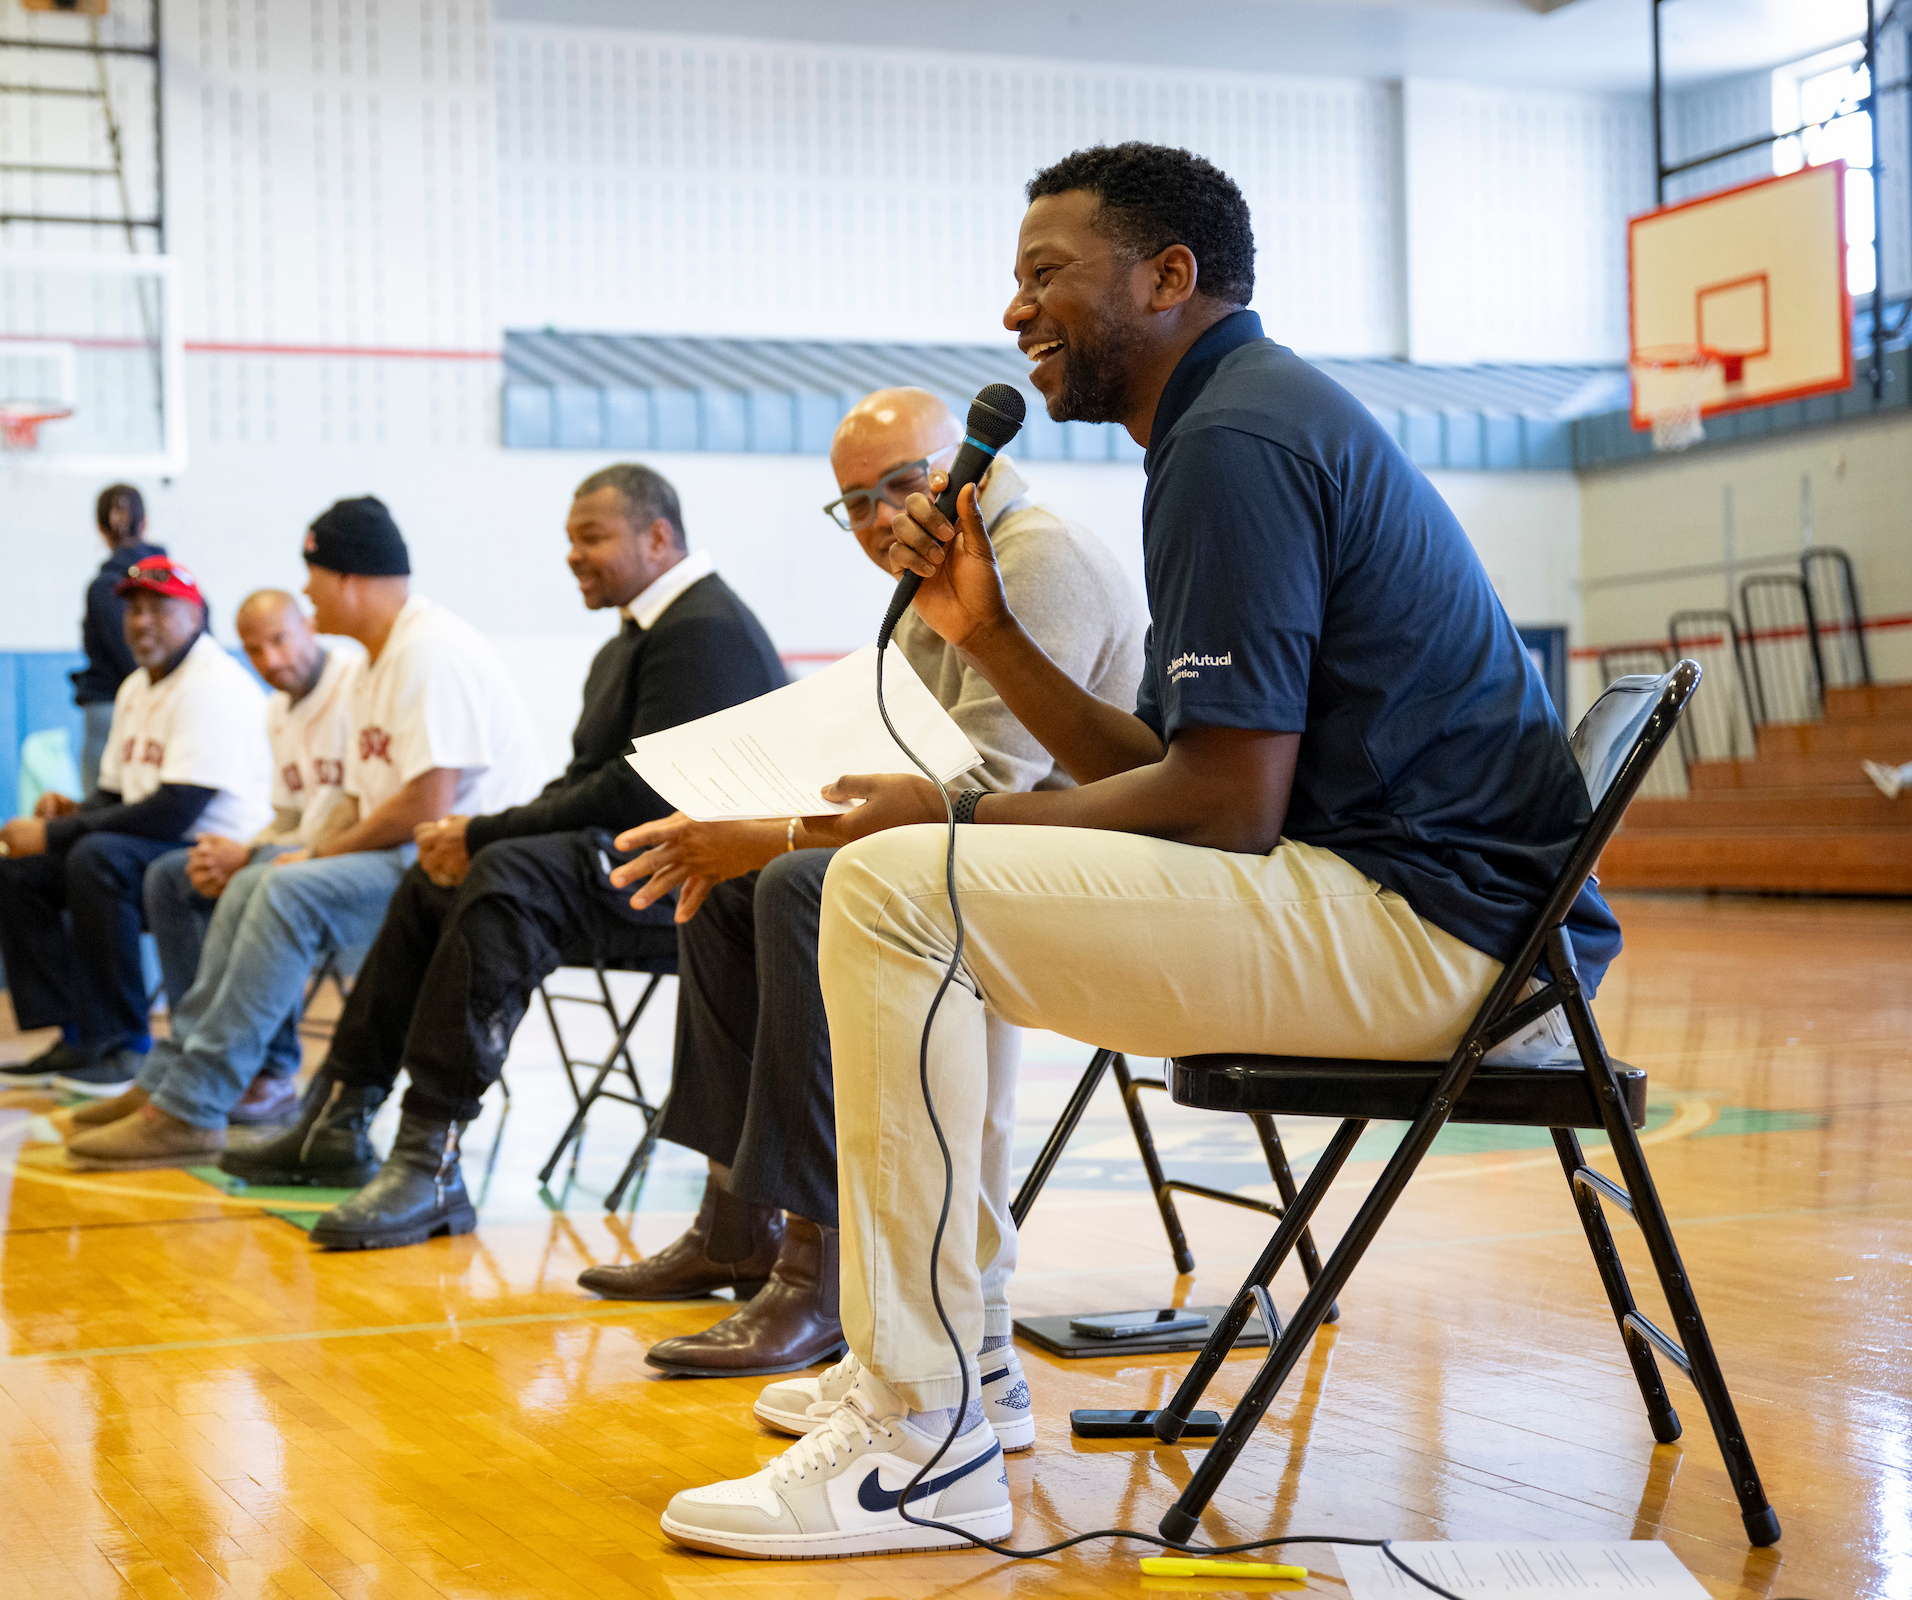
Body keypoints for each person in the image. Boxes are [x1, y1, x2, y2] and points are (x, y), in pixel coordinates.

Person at [658, 142, 1623, 1560]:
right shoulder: (1235, 417)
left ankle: (925, 1438)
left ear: (1169, 277)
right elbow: (1184, 768)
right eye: (1015, 280)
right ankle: (960, 1369)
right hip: (1421, 912)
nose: (1014, 312)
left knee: (885, 888)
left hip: (1444, 942)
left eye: (1045, 274)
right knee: (902, 882)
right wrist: (987, 636)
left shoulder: (1233, 439)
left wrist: (952, 818)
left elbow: (1227, 809)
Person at [591, 391, 1144, 1398]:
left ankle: (823, 1269)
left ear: (963, 463)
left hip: (1090, 874)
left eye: (902, 484)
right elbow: (897, 763)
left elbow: (982, 789)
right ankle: (738, 1221)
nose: (881, 517)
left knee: (797, 878)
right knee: (727, 888)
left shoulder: (1034, 555)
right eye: (853, 501)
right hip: (989, 859)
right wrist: (743, 827)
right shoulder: (934, 568)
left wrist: (768, 832)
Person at [255, 464, 792, 1249]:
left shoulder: (704, 627)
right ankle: (339, 1111)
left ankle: (429, 1154)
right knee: (432, 882)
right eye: (569, 539)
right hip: (643, 870)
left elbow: (641, 797)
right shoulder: (636, 638)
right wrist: (470, 838)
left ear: (659, 537)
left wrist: (481, 834)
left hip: (706, 889)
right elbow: (587, 783)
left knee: (505, 872)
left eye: (592, 537)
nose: (573, 555)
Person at [59, 497, 546, 1171]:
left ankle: (194, 1103)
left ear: (348, 577)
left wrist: (308, 855)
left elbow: (423, 806)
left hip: (466, 867)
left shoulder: (429, 651)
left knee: (287, 889)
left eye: (312, 574)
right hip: (408, 854)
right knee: (262, 877)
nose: (308, 592)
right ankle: (175, 1085)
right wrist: (282, 851)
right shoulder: (378, 660)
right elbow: (353, 799)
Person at [60, 590, 360, 1123]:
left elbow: (355, 812)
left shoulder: (354, 685)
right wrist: (246, 850)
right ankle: (189, 1057)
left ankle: (270, 1071)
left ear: (308, 627)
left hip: (348, 853)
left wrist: (255, 854)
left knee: (266, 882)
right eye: (255, 650)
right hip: (294, 847)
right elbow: (287, 817)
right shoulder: (275, 708)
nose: (271, 661)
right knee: (174, 876)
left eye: (279, 641)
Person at [0, 556, 273, 1091]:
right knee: (20, 868)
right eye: (133, 609)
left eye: (158, 608)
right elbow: (117, 794)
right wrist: (72, 811)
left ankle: (124, 1046)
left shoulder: (212, 684)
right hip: (159, 842)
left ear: (195, 615)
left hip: (216, 852)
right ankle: (78, 1036)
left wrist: (54, 834)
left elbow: (176, 808)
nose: (141, 621)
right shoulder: (136, 688)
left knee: (98, 858)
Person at [72, 484, 162, 791]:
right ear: (145, 522)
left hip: (115, 707)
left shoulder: (102, 588)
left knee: (103, 808)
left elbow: (131, 660)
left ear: (100, 528)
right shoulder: (179, 582)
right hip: (158, 705)